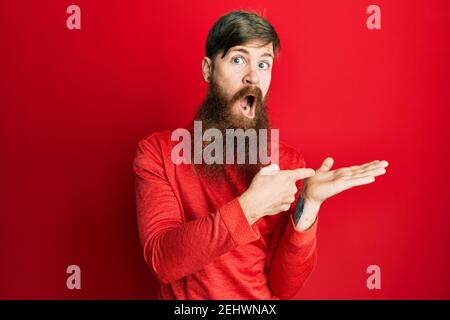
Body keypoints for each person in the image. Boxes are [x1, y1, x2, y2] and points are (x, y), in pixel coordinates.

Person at [133, 10, 388, 300]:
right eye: (238, 59)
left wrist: (309, 205)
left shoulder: (287, 165)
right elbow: (163, 261)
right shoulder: (158, 153)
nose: (253, 76)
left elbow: (285, 286)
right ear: (207, 69)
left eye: (264, 64)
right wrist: (251, 206)